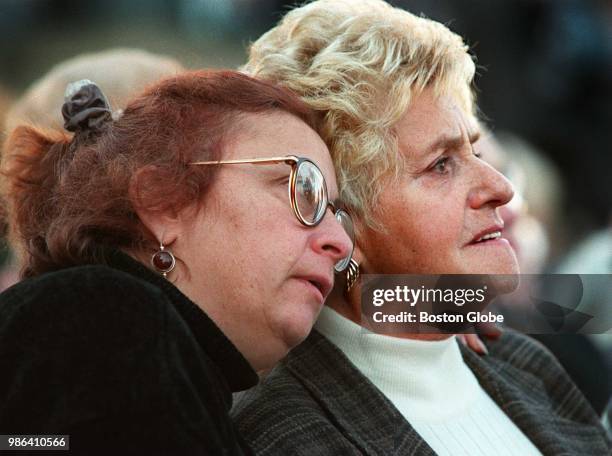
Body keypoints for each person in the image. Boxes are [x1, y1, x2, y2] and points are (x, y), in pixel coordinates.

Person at [233, 1, 612, 454]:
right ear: (339, 225)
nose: (501, 188)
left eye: (475, 150)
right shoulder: (284, 434)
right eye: (441, 165)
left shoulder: (528, 363)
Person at [0, 70, 354, 454]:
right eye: (304, 189)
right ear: (163, 202)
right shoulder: (105, 316)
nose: (341, 243)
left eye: (337, 214)